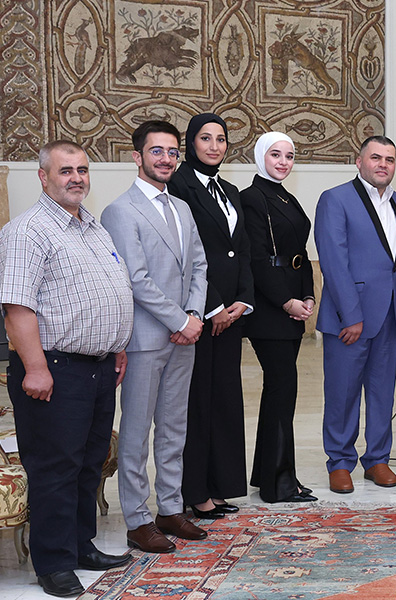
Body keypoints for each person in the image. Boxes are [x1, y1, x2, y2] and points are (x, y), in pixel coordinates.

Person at [0, 141, 134, 597]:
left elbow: (107, 291)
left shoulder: (92, 227)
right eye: (65, 170)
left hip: (98, 367)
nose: (76, 178)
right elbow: (17, 308)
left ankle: (79, 545)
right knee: (55, 466)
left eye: (82, 169)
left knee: (88, 462)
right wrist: (35, 367)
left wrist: (116, 346)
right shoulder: (27, 232)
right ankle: (54, 563)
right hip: (54, 369)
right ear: (43, 176)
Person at [101, 120, 209, 554]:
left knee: (174, 428)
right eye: (156, 151)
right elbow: (136, 279)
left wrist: (194, 315)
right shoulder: (120, 211)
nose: (166, 159)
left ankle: (170, 508)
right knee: (136, 432)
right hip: (147, 338)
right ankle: (137, 519)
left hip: (185, 336)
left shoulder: (182, 207)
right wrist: (180, 321)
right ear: (137, 156)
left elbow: (199, 265)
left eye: (172, 152)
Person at [168, 113, 254, 518]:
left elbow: (242, 249)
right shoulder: (178, 185)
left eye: (221, 139)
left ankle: (221, 486)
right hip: (199, 312)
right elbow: (189, 254)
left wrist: (243, 300)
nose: (214, 146)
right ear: (191, 143)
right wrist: (214, 306)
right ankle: (195, 491)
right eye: (206, 138)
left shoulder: (230, 190)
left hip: (231, 314)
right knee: (197, 403)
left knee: (225, 399)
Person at [315, 135, 396, 492]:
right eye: (376, 157)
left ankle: (377, 459)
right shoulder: (335, 199)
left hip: (391, 315)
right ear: (359, 161)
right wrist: (350, 314)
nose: (383, 164)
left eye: (390, 159)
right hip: (350, 318)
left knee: (383, 392)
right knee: (342, 392)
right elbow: (333, 261)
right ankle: (340, 461)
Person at [240, 132, 317, 503]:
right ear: (260, 157)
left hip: (292, 304)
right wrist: (287, 302)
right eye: (275, 155)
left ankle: (268, 475)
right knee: (282, 390)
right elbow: (257, 259)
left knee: (279, 393)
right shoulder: (251, 198)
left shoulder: (287, 196)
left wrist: (308, 294)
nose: (284, 162)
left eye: (289, 155)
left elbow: (300, 251)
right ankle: (279, 484)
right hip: (270, 309)